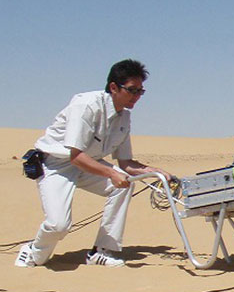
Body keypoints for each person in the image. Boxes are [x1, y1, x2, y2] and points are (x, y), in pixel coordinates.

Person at [15, 59, 172, 268]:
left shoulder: (124, 116)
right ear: (114, 87)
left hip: (90, 164)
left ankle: (101, 251)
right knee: (58, 225)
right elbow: (76, 156)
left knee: (126, 184)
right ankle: (33, 251)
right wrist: (111, 174)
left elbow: (125, 163)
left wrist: (154, 172)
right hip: (56, 165)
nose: (136, 97)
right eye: (132, 90)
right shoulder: (86, 106)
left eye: (140, 92)